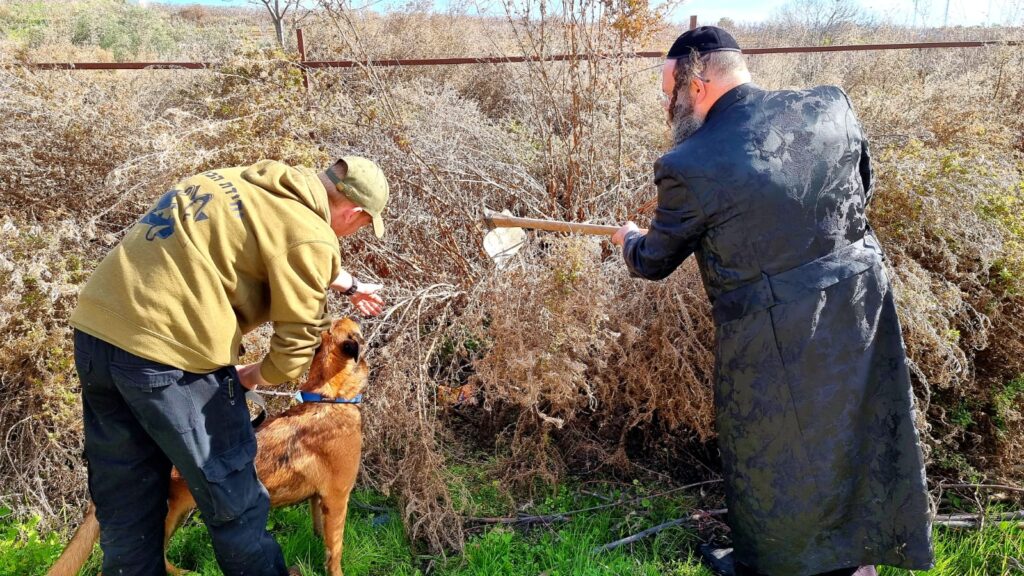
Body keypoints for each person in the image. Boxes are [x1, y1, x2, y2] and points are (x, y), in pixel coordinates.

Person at [610, 27, 934, 576]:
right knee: (855, 431)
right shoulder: (831, 104)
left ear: (699, 81)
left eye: (671, 91)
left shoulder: (689, 164)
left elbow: (653, 261)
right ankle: (858, 561)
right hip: (859, 304)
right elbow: (861, 189)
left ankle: (775, 566)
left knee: (776, 458)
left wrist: (627, 240)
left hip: (769, 334)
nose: (669, 105)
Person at [69, 156, 389, 575]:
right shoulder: (313, 236)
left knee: (127, 492)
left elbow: (274, 242)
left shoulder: (240, 180)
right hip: (168, 354)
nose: (354, 233)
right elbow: (295, 349)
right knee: (236, 496)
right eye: (363, 226)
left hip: (96, 332)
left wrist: (347, 284)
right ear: (354, 212)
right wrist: (251, 376)